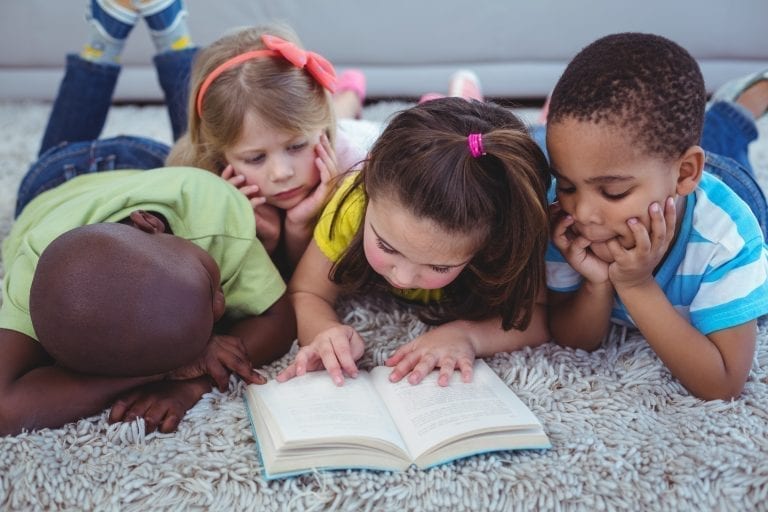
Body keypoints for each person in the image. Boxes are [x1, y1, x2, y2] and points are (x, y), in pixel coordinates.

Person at [24, 1, 368, 273]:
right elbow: (237, 296)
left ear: (321, 128)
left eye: (296, 147)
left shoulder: (349, 163)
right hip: (57, 180)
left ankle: (165, 35)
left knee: (222, 118)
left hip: (147, 162)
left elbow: (309, 285)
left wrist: (295, 230)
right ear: (219, 156)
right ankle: (117, 43)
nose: (281, 173)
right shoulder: (200, 178)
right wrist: (251, 232)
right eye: (255, 158)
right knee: (61, 155)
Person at [543, 32, 768, 400]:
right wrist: (596, 285)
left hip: (732, 186)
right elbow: (571, 340)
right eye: (566, 184)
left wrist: (636, 285)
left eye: (613, 192)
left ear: (684, 175)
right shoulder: (565, 214)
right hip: (665, 173)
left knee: (724, 146)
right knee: (660, 148)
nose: (583, 212)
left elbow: (723, 384)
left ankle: (741, 107)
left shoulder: (727, 239)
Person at [276, 97, 553, 387]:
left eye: (439, 267)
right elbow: (306, 291)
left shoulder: (507, 234)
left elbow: (539, 316)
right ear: (368, 188)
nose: (403, 277)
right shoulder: (352, 206)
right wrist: (323, 330)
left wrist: (468, 335)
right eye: (386, 246)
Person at [0, 166, 295, 436]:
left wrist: (195, 386)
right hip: (56, 195)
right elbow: (6, 409)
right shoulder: (36, 277)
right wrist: (167, 370)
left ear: (151, 224)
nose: (223, 305)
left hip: (122, 168)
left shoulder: (210, 209)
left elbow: (280, 318)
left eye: (209, 286)